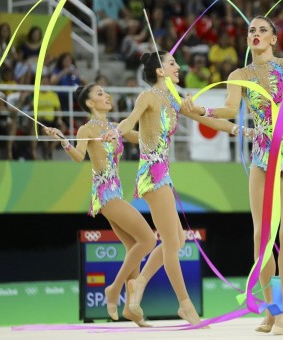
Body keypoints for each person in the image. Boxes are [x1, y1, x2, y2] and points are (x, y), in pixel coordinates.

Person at [182, 15, 283, 335]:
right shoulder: (239, 74)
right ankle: (271, 309)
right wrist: (202, 111)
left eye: (262, 31)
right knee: (261, 239)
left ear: (273, 38)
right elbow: (230, 110)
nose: (255, 34)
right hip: (262, 155)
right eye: (250, 31)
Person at [109, 51, 246, 327]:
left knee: (178, 241)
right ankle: (185, 305)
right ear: (160, 71)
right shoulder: (147, 96)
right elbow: (130, 121)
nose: (178, 66)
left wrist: (241, 131)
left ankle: (137, 288)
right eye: (172, 63)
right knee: (173, 243)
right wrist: (117, 130)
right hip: (152, 174)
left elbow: (209, 121)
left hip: (163, 175)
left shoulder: (173, 100)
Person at [44, 83, 156, 327]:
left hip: (117, 192)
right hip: (105, 194)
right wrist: (63, 140)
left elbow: (142, 138)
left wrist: (155, 124)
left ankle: (131, 309)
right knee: (148, 240)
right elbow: (78, 157)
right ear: (89, 103)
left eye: (106, 92)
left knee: (133, 248)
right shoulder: (87, 128)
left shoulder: (116, 127)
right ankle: (113, 290)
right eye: (100, 94)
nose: (106, 96)